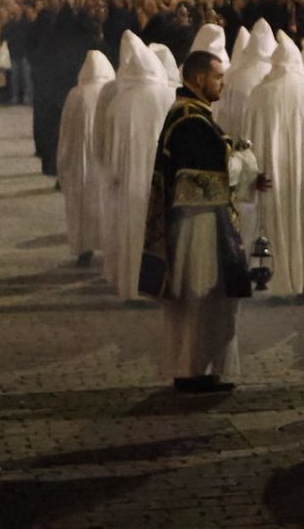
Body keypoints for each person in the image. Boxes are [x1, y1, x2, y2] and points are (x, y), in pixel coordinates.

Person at [138, 51, 263, 393]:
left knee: (206, 298)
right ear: (197, 80)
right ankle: (192, 369)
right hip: (199, 225)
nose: (222, 82)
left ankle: (197, 367)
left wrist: (241, 164)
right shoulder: (189, 120)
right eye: (217, 76)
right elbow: (218, 171)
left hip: (204, 221)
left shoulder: (194, 115)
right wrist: (247, 160)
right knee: (200, 294)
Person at [241, 32, 304, 301]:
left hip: (272, 173)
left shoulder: (259, 94)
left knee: (276, 223)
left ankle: (279, 282)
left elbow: (246, 142)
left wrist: (251, 176)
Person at [97, 33, 177, 299]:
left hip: (129, 180)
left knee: (131, 232)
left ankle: (133, 286)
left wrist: (112, 175)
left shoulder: (120, 102)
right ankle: (163, 283)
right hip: (163, 179)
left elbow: (108, 146)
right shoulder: (169, 97)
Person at [57, 51, 115, 263]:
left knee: (81, 204)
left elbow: (65, 131)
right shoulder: (110, 92)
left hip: (79, 159)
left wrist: (62, 161)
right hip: (103, 157)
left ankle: (84, 248)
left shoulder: (76, 94)